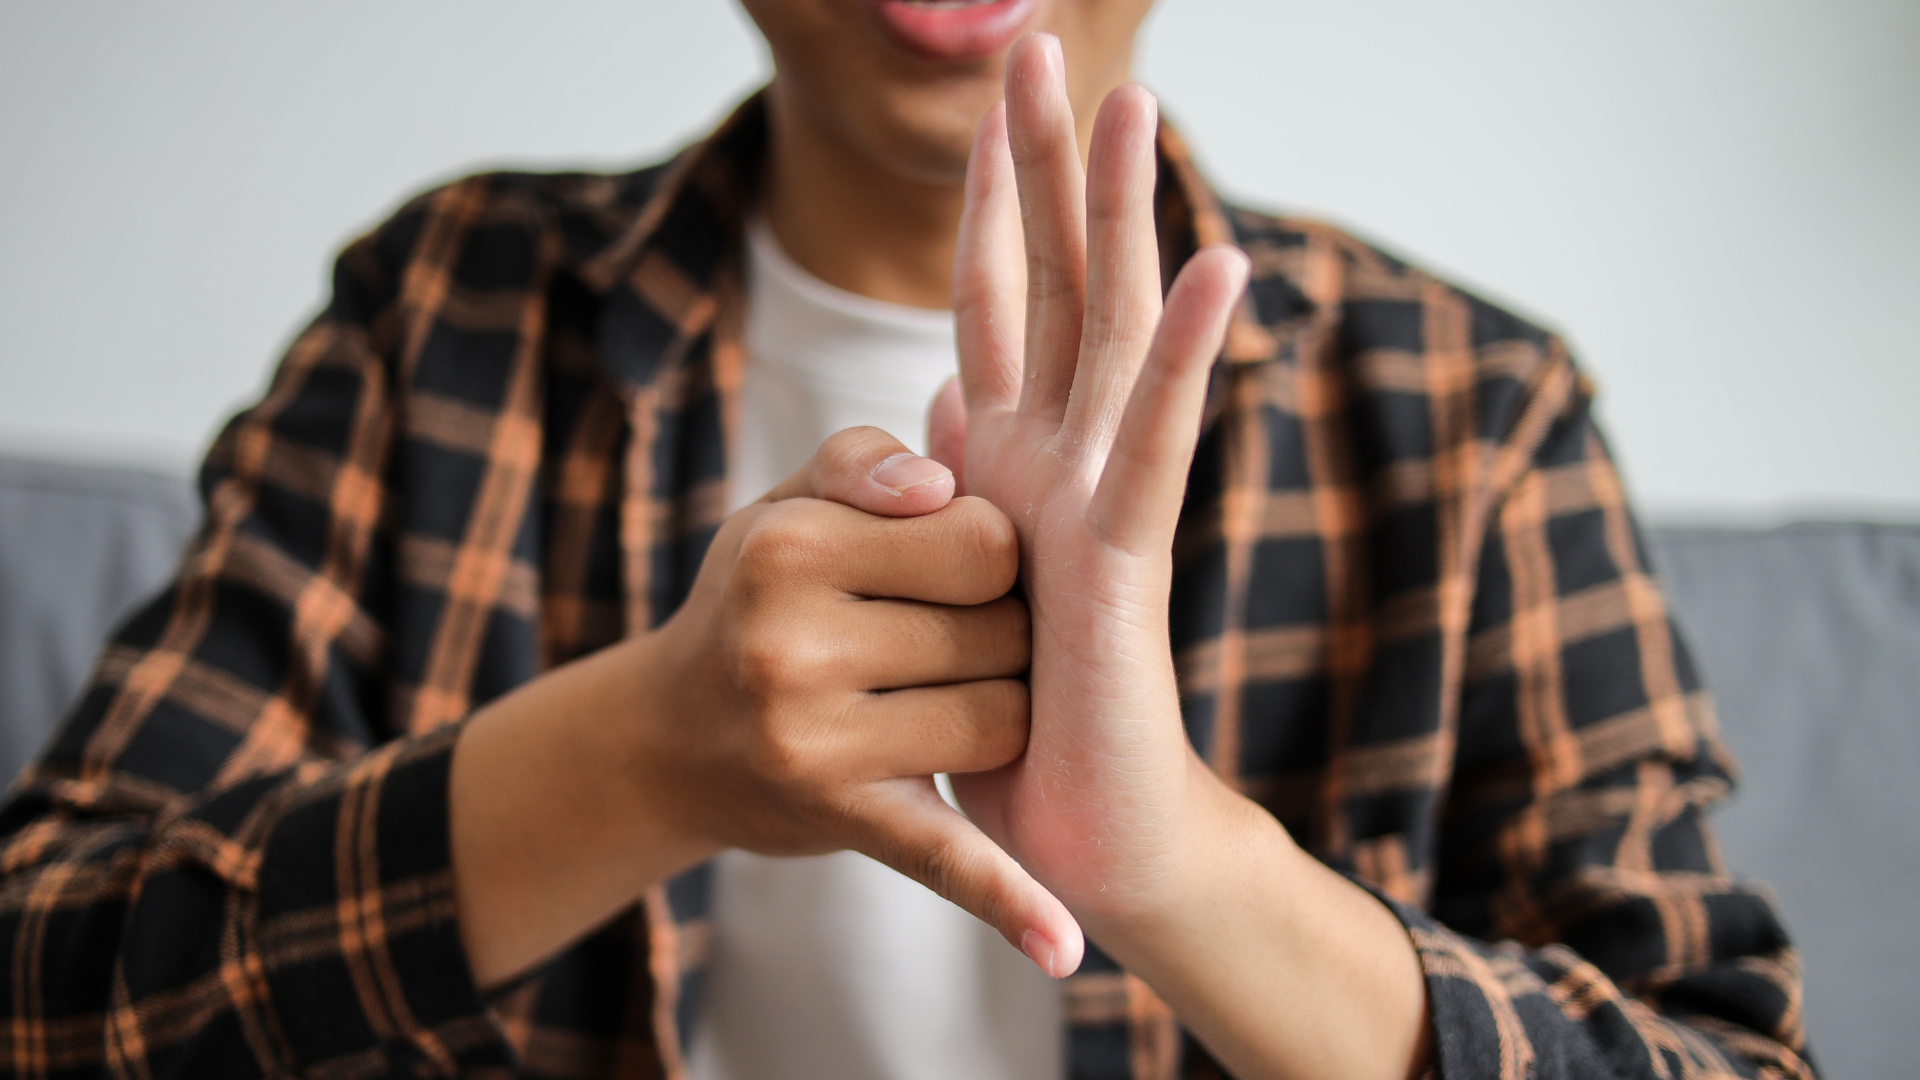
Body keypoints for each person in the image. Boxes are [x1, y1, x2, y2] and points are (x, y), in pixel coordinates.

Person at [0, 2, 1811, 1078]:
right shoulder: (441, 320)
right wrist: (638, 751)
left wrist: (1185, 870)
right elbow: (46, 985)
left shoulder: (1472, 410)